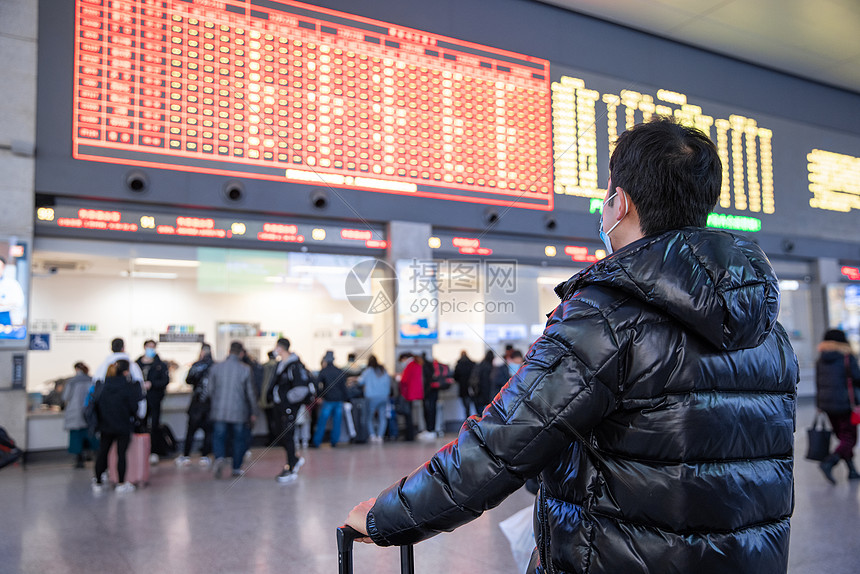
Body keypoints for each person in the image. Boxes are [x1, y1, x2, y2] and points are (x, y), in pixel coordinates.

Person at [346, 118, 798, 573]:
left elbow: (499, 446)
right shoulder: (766, 327)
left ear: (618, 204)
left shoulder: (606, 314)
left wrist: (387, 515)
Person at [815, 328, 860, 483]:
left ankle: (852, 471)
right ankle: (829, 462)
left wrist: (819, 404)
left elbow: (818, 383)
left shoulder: (821, 358)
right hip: (846, 404)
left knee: (842, 436)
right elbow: (857, 378)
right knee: (849, 438)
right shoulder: (847, 357)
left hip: (827, 404)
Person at [92, 360, 144, 493]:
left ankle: (98, 481)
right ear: (126, 371)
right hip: (123, 425)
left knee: (103, 452)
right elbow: (134, 407)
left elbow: (96, 404)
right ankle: (121, 483)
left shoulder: (103, 385)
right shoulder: (128, 387)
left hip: (105, 425)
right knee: (121, 454)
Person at [208, 341, 257, 479]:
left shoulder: (216, 367)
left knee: (219, 437)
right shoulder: (245, 369)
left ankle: (219, 458)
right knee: (238, 440)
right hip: (239, 411)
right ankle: (236, 468)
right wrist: (254, 411)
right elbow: (250, 394)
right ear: (241, 353)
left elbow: (210, 390)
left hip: (219, 411)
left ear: (229, 351)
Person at [267, 338, 311, 483]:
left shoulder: (294, 366)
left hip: (289, 407)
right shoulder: (282, 364)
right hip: (281, 406)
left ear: (280, 348)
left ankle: (291, 467)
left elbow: (301, 389)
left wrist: (287, 400)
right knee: (282, 434)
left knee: (288, 435)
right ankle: (294, 460)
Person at [176, 343, 214, 467]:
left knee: (191, 431)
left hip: (197, 404)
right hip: (210, 404)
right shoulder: (215, 366)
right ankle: (205, 455)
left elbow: (188, 380)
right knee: (208, 432)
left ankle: (186, 455)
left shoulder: (197, 365)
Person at [136, 339, 170, 464]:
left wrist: (153, 384)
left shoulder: (160, 364)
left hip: (154, 398)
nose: (151, 349)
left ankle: (154, 451)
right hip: (139, 400)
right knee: (140, 424)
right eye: (149, 347)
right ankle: (141, 450)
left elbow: (165, 380)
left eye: (153, 347)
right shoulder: (137, 364)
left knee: (154, 425)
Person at [62, 362, 97, 468]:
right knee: (91, 436)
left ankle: (79, 460)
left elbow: (65, 397)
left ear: (77, 369)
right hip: (89, 413)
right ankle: (93, 456)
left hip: (75, 413)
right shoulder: (92, 380)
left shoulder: (72, 382)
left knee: (76, 438)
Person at [311, 351, 349, 448]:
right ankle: (334, 442)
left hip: (328, 400)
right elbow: (344, 387)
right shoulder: (339, 371)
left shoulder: (323, 371)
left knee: (322, 422)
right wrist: (346, 398)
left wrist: (319, 395)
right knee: (337, 422)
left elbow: (317, 384)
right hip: (339, 400)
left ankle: (317, 442)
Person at [358, 355, 391, 443]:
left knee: (370, 417)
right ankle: (380, 436)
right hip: (384, 396)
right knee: (382, 417)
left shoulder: (368, 371)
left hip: (371, 397)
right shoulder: (383, 370)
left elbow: (360, 382)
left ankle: (372, 435)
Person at [396, 352, 423, 441]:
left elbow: (404, 379)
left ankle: (409, 435)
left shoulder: (410, 364)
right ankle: (411, 434)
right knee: (410, 414)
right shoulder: (416, 363)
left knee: (408, 415)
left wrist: (398, 377)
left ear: (405, 358)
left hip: (409, 393)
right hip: (415, 392)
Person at [0, 256, 25, 327]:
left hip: (5, 318)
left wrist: (3, 304)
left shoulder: (12, 284)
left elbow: (18, 302)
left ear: (3, 267)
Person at [453, 350, 475, 418]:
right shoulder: (472, 364)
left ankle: (468, 420)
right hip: (472, 387)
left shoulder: (458, 365)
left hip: (463, 388)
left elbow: (455, 377)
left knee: (466, 406)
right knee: (474, 406)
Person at [472, 350, 494, 414]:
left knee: (480, 412)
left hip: (479, 392)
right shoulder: (492, 367)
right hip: (488, 393)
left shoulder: (480, 365)